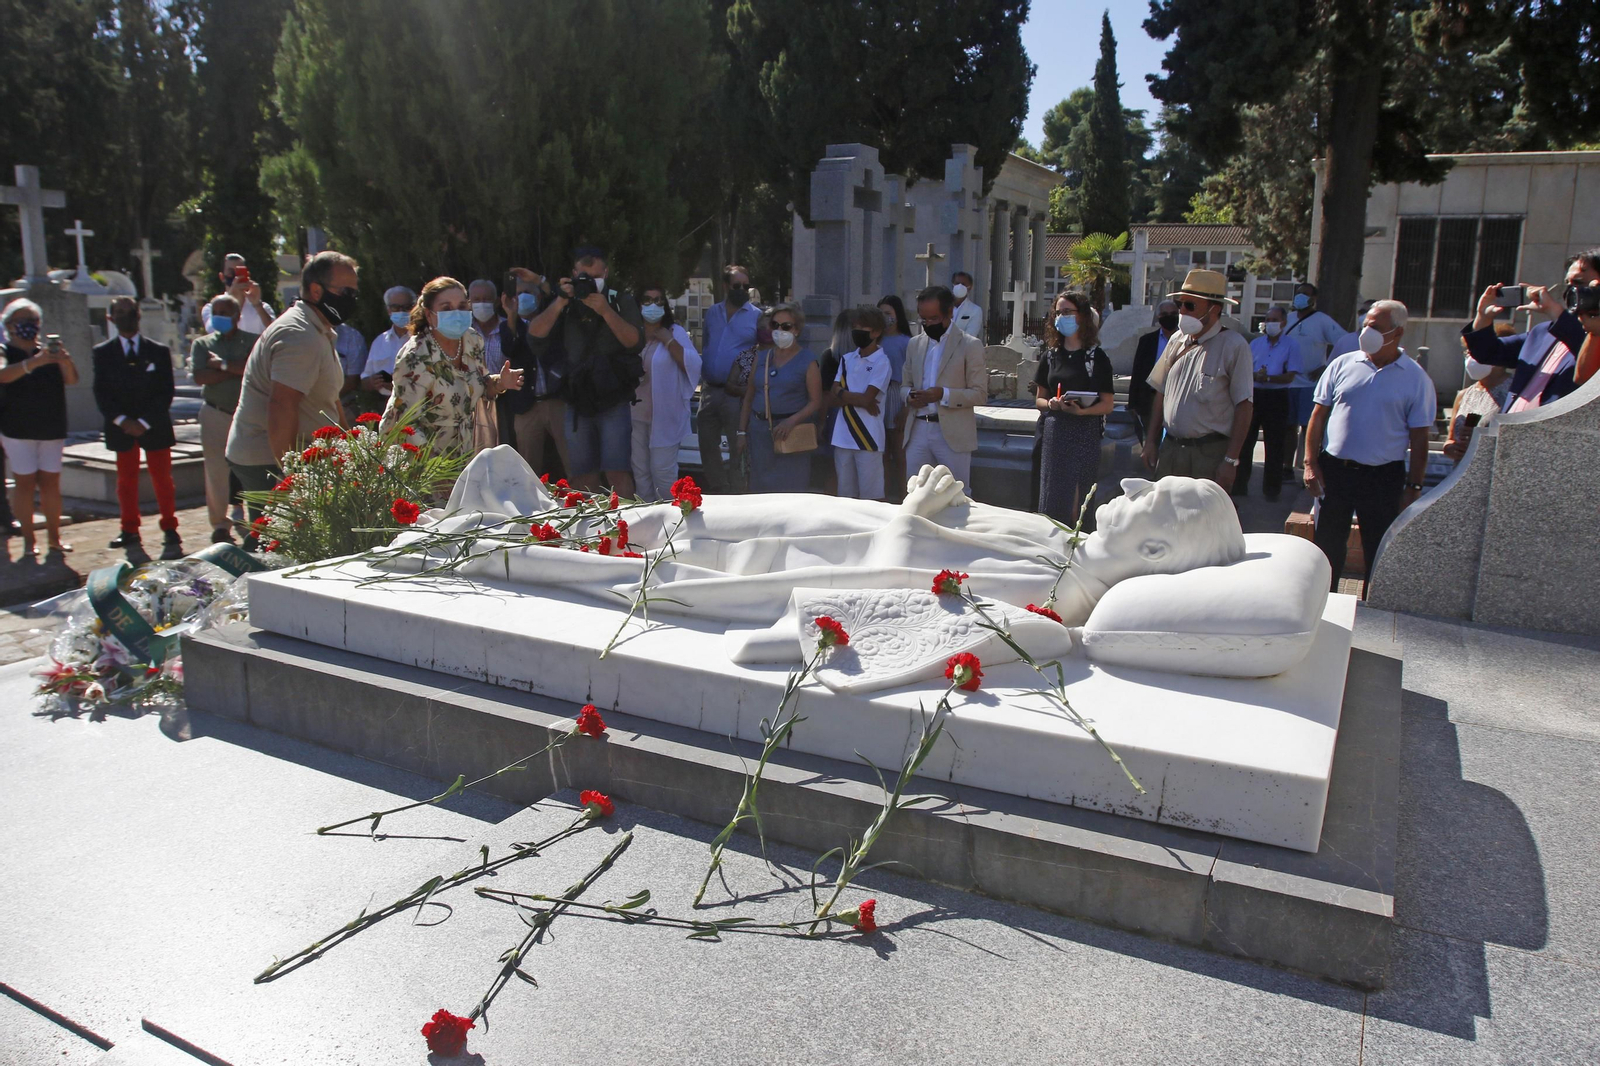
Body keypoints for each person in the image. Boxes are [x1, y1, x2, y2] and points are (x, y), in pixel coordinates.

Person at [1304, 300, 1435, 592]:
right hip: (1336, 472)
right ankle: (1325, 603)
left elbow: (1420, 438)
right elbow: (1318, 415)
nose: (1366, 333)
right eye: (1364, 325)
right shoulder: (1342, 364)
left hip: (1382, 477)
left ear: (1397, 332)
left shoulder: (1415, 378)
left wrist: (1414, 487)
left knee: (1378, 549)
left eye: (1375, 327)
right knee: (1327, 545)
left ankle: (1370, 610)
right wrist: (1310, 464)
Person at [227, 250, 361, 527]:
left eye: (354, 292)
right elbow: (282, 406)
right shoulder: (299, 334)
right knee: (279, 543)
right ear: (316, 290)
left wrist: (349, 445)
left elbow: (329, 396)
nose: (352, 299)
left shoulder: (318, 329)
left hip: (293, 456)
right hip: (269, 461)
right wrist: (291, 475)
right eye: (345, 292)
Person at [524, 246, 642, 494]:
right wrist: (560, 301)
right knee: (581, 474)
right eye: (585, 277)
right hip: (576, 399)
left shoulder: (619, 300)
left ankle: (625, 516)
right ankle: (588, 517)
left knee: (617, 471)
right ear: (574, 274)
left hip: (613, 397)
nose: (590, 282)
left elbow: (634, 342)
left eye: (596, 277)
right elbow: (534, 334)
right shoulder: (565, 302)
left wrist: (605, 311)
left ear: (606, 273)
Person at [381, 277, 524, 454]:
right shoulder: (415, 356)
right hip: (422, 454)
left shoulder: (472, 339)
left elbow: (479, 384)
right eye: (446, 308)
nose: (456, 313)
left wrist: (500, 383)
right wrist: (433, 464)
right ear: (429, 315)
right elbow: (405, 422)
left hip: (465, 448)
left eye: (462, 306)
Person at [1140, 269, 1254, 490]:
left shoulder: (1233, 345)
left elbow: (1244, 406)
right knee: (1165, 509)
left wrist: (1231, 460)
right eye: (1180, 304)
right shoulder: (1177, 340)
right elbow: (1161, 392)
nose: (1182, 311)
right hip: (1171, 448)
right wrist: (1151, 441)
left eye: (1190, 305)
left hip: (1209, 453)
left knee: (1201, 511)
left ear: (1214, 309)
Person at [93, 297, 180, 561]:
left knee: (162, 480)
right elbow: (101, 392)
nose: (125, 316)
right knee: (126, 481)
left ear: (138, 314)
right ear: (110, 318)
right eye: (119, 312)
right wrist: (122, 421)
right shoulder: (103, 353)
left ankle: (170, 527)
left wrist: (144, 422)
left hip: (153, 425)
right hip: (121, 428)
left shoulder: (158, 351)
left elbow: (165, 391)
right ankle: (129, 529)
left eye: (129, 311)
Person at [1461, 252, 1597, 411]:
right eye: (1568, 284)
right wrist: (1483, 317)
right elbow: (1487, 353)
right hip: (1514, 424)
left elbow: (1584, 347)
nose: (1571, 291)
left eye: (1579, 283)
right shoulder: (1543, 332)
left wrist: (1553, 310)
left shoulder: (1590, 335)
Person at [0, 298, 78, 557]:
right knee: (24, 483)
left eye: (33, 320)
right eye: (23, 320)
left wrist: (64, 361)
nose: (29, 325)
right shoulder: (4, 351)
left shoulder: (49, 353)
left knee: (50, 483)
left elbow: (72, 380)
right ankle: (28, 541)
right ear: (9, 325)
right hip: (17, 428)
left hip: (51, 426)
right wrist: (34, 362)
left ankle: (55, 539)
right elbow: (3, 375)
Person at [1034, 290, 1114, 525]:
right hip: (1055, 431)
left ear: (1082, 316)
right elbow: (1039, 400)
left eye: (1067, 312)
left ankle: (1075, 539)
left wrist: (1082, 411)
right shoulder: (1050, 356)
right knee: (1053, 494)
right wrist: (1051, 403)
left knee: (1077, 496)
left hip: (1084, 432)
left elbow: (1107, 404)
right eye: (1058, 313)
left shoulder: (1097, 358)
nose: (1062, 317)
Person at [901, 285, 988, 486]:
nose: (928, 324)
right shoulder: (915, 344)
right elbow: (904, 385)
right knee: (915, 490)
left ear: (949, 313)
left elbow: (980, 393)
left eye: (934, 318)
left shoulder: (969, 345)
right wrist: (910, 396)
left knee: (956, 492)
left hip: (952, 431)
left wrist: (943, 394)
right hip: (918, 428)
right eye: (924, 319)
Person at [736, 302, 822, 493]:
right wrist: (741, 432)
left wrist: (791, 421)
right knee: (760, 490)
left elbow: (816, 401)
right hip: (760, 432)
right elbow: (749, 395)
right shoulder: (762, 357)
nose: (779, 331)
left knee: (790, 490)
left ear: (796, 330)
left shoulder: (807, 360)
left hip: (791, 433)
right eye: (775, 325)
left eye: (786, 326)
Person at [189, 294, 254, 543]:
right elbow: (200, 376)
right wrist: (232, 369)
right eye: (215, 313)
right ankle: (219, 525)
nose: (219, 317)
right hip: (215, 413)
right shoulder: (202, 345)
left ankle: (257, 522)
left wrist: (220, 365)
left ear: (237, 316)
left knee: (251, 467)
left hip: (246, 413)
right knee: (215, 471)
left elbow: (250, 370)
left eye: (224, 313)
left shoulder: (251, 341)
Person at [631, 285, 702, 499]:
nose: (653, 305)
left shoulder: (674, 332)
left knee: (662, 472)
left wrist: (668, 341)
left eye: (658, 301)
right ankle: (646, 515)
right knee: (640, 472)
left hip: (665, 416)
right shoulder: (632, 332)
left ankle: (670, 515)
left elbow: (693, 364)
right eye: (647, 300)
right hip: (635, 414)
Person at [500, 269, 570, 479]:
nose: (523, 298)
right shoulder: (509, 326)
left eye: (528, 293)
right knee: (528, 468)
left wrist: (539, 281)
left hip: (557, 401)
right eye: (519, 293)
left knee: (571, 461)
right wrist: (511, 315)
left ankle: (580, 496)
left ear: (538, 297)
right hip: (526, 405)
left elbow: (559, 296)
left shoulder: (553, 320)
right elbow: (510, 348)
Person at [698, 264, 762, 493]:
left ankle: (738, 491)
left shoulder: (756, 316)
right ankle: (718, 489)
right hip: (709, 390)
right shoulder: (712, 313)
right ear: (725, 286)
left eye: (746, 286)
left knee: (738, 446)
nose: (742, 290)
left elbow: (760, 352)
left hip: (736, 394)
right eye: (737, 286)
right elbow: (707, 344)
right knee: (707, 443)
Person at [1284, 282, 1350, 481]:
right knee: (1288, 428)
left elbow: (1344, 342)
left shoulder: (1322, 320)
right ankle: (1286, 467)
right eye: (1299, 293)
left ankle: (1308, 467)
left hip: (1310, 385)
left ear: (1313, 299)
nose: (1300, 297)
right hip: (1287, 383)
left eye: (1305, 294)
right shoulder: (1288, 319)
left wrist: (1326, 367)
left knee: (1309, 428)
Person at [1238, 306, 1303, 500]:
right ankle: (1239, 485)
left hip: (1277, 396)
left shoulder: (1291, 345)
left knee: (1275, 444)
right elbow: (1243, 370)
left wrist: (1268, 378)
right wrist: (1256, 376)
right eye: (1268, 320)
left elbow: (1290, 375)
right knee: (1245, 441)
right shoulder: (1255, 344)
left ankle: (1272, 490)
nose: (1270, 323)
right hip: (1254, 394)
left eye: (1275, 320)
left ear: (1283, 323)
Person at [831, 306, 892, 500]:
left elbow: (868, 398)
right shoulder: (846, 359)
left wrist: (844, 394)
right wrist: (856, 398)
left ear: (876, 332)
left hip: (868, 437)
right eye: (855, 327)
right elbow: (834, 394)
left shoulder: (882, 362)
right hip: (842, 436)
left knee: (870, 497)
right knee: (845, 496)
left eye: (862, 328)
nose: (857, 332)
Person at [1442, 328, 1513, 463]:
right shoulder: (1464, 395)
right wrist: (1450, 448)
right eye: (1468, 351)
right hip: (1461, 470)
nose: (1471, 356)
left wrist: (1483, 438)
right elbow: (1450, 439)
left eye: (1477, 350)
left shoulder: (1515, 393)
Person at [1128, 300, 1178, 442]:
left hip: (1177, 399)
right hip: (1151, 398)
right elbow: (1137, 372)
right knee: (1151, 440)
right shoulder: (1147, 341)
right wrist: (1133, 403)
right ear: (1158, 317)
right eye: (1165, 314)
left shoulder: (1188, 340)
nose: (1169, 317)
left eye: (1173, 314)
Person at [877, 295, 911, 498]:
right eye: (880, 313)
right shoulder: (875, 340)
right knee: (881, 451)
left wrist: (906, 408)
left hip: (897, 393)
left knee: (899, 451)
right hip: (877, 394)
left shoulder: (907, 342)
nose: (884, 317)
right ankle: (886, 494)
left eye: (888, 313)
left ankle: (903, 494)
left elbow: (914, 377)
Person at [362, 285, 416, 406]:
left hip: (416, 404)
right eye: (395, 307)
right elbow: (364, 380)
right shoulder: (380, 341)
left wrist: (400, 386)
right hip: (385, 403)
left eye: (407, 307)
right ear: (388, 310)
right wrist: (373, 382)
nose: (401, 311)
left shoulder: (423, 339)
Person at [200, 253, 276, 335]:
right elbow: (213, 331)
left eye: (239, 272)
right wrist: (231, 299)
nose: (235, 277)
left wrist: (258, 305)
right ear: (222, 277)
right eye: (231, 272)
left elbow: (274, 332)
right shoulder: (211, 308)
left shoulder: (262, 307)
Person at [334, 321, 368, 420]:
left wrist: (327, 399)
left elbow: (353, 380)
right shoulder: (302, 332)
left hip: (343, 402)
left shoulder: (352, 336)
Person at [950, 270, 984, 340]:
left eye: (963, 284)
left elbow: (970, 335)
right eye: (957, 283)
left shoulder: (975, 310)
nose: (960, 286)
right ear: (953, 285)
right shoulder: (942, 306)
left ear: (969, 287)